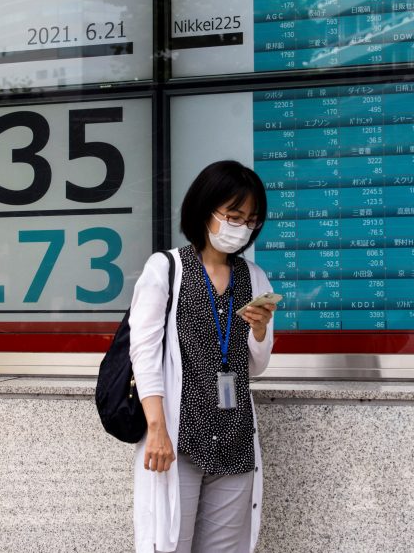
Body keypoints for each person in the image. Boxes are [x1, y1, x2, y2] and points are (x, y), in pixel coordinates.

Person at [129, 160, 277, 553]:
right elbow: (143, 352)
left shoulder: (254, 277)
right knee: (170, 544)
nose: (241, 227)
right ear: (205, 210)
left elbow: (256, 367)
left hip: (235, 437)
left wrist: (259, 330)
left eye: (250, 220)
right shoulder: (167, 268)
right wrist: (156, 427)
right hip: (179, 438)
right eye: (233, 215)